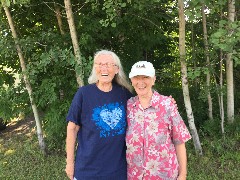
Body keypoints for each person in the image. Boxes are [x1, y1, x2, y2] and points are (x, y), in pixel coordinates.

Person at [65, 50, 133, 180]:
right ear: (94, 68)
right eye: (99, 64)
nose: (103, 68)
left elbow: (144, 107)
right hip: (87, 171)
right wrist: (69, 163)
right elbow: (72, 128)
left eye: (108, 64)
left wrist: (166, 103)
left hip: (117, 171)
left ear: (117, 69)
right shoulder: (83, 94)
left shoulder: (124, 94)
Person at [125, 61, 192, 180]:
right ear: (131, 80)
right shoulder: (128, 106)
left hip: (165, 175)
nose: (140, 82)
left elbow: (180, 141)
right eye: (136, 77)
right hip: (134, 176)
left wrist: (183, 175)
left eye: (145, 77)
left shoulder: (167, 105)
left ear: (153, 79)